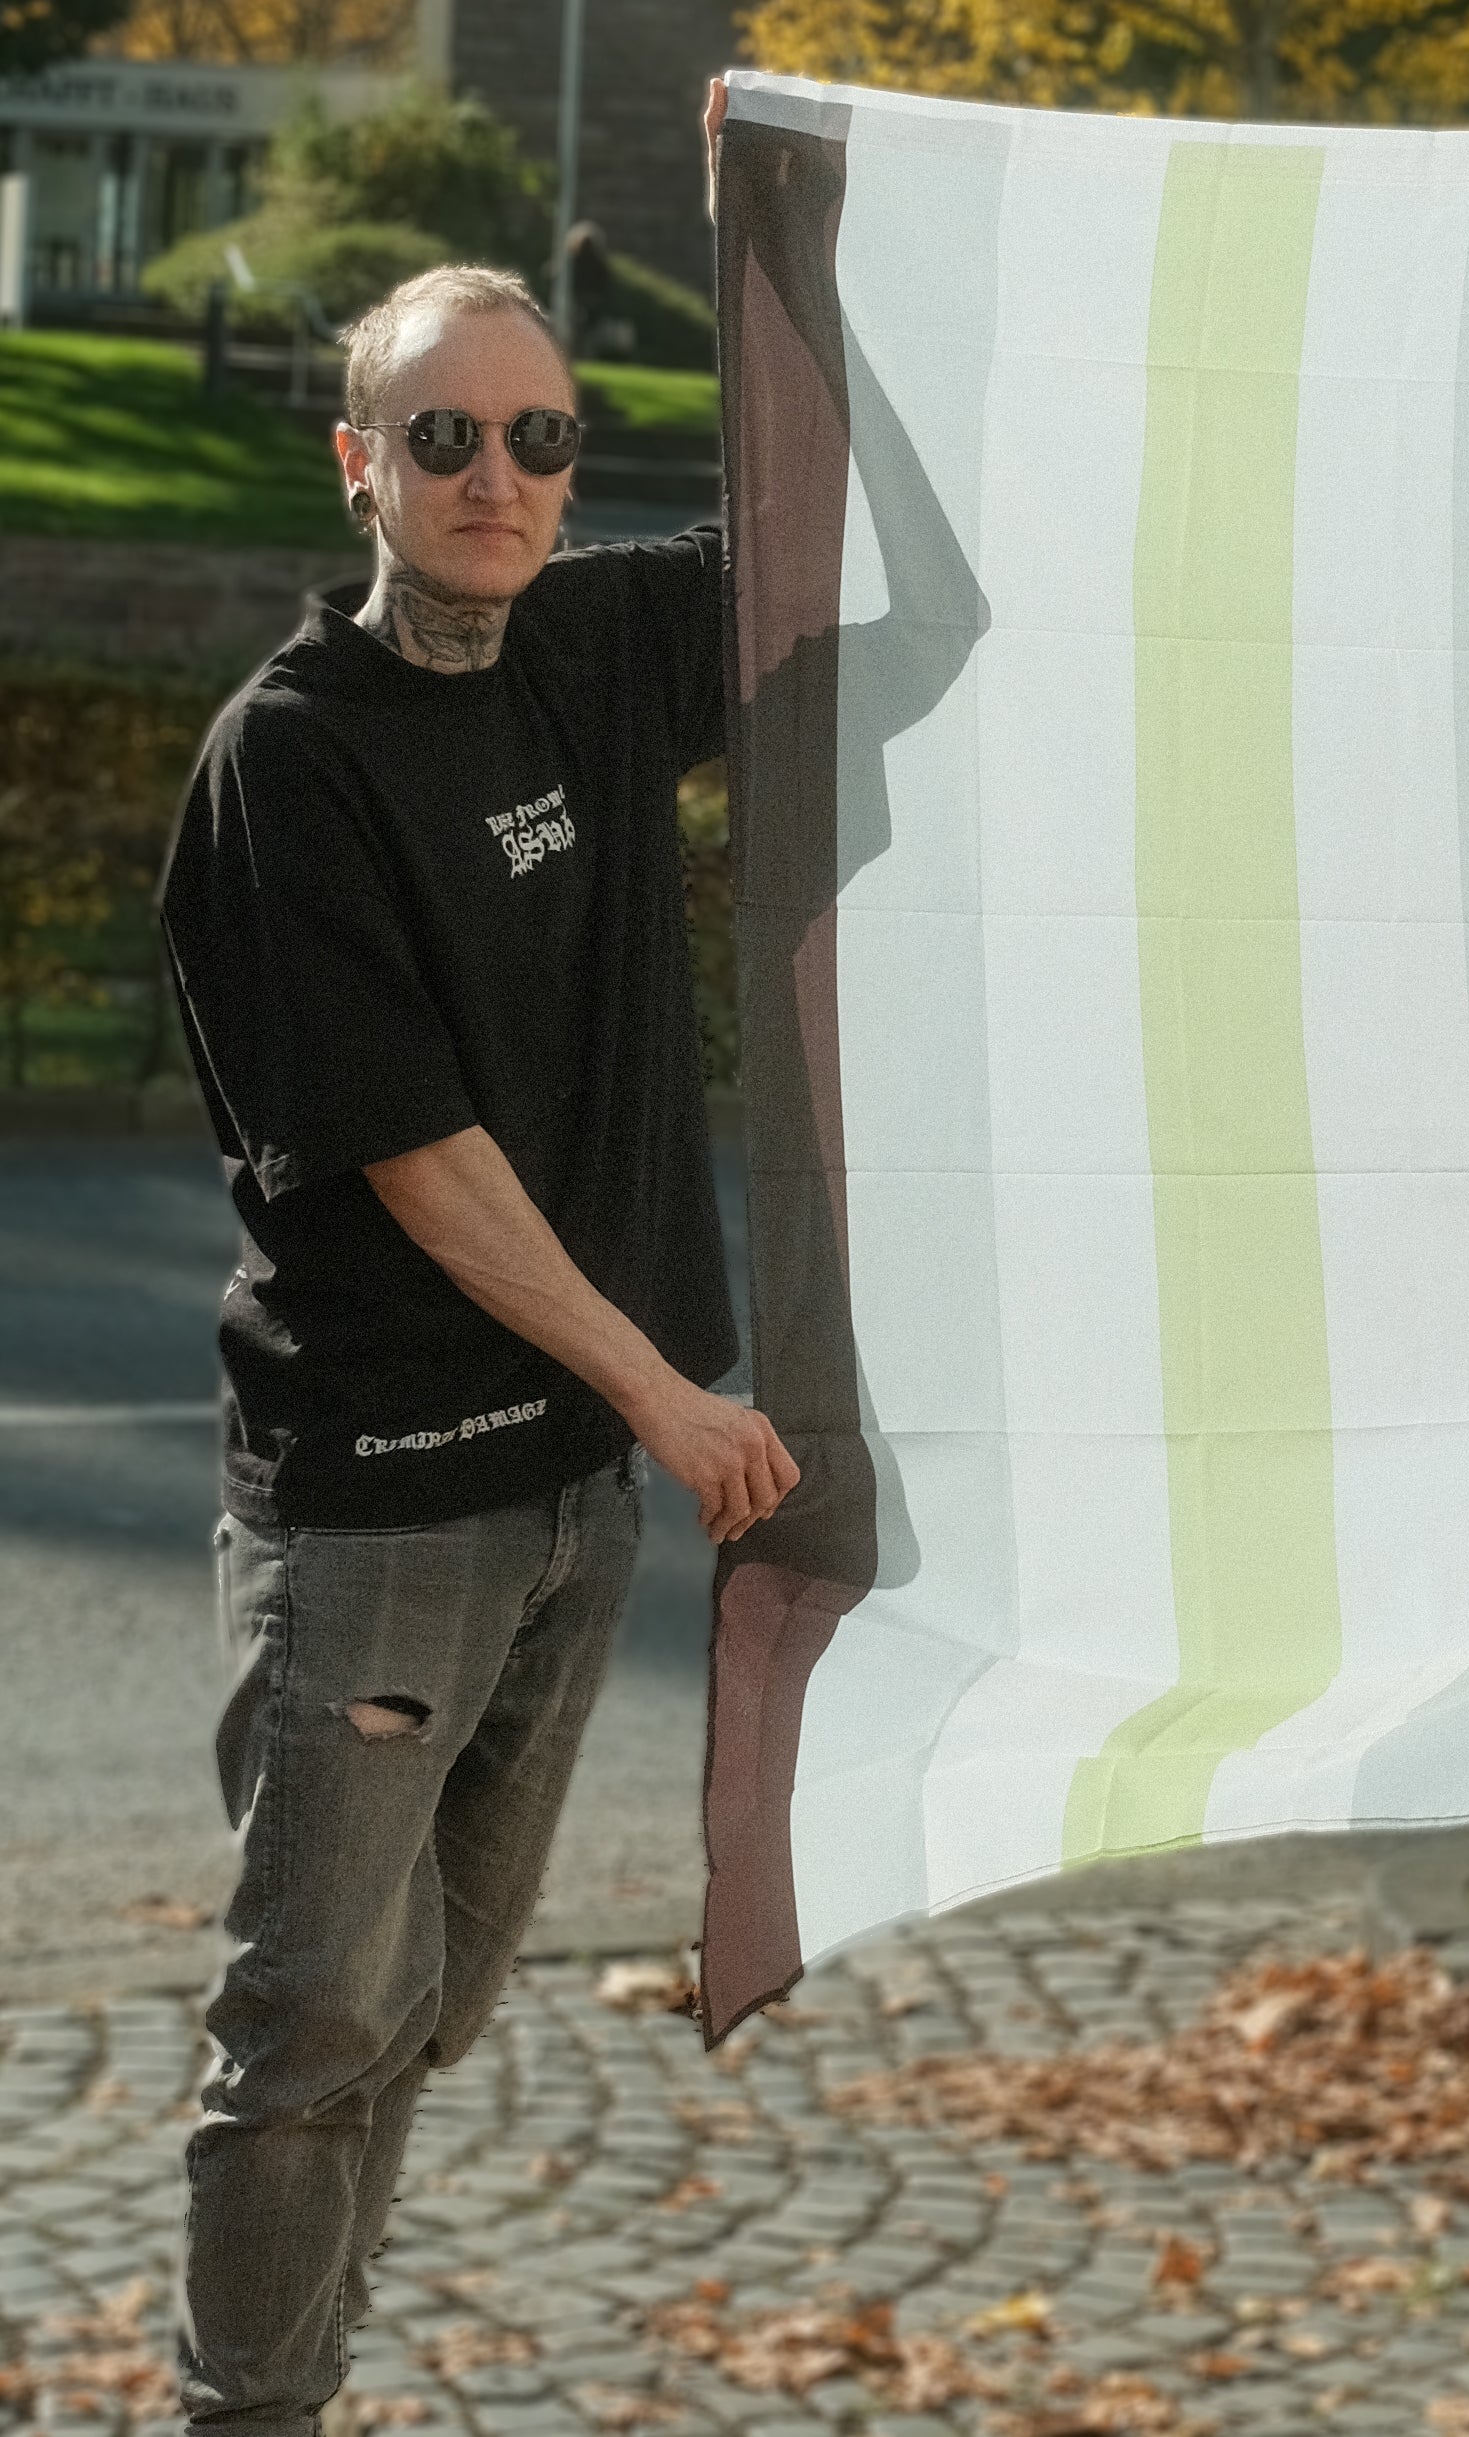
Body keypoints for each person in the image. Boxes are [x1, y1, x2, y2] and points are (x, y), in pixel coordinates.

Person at [160, 244, 798, 2435]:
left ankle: (297, 2381)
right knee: (313, 2017)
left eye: (541, 436)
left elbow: (860, 518)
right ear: (362, 464)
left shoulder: (599, 649)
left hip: (567, 1497)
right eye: (446, 437)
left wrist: (803, 216)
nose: (500, 477)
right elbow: (420, 1159)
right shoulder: (292, 761)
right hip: (383, 1502)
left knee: (421, 2004)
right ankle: (249, 2411)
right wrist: (664, 1392)